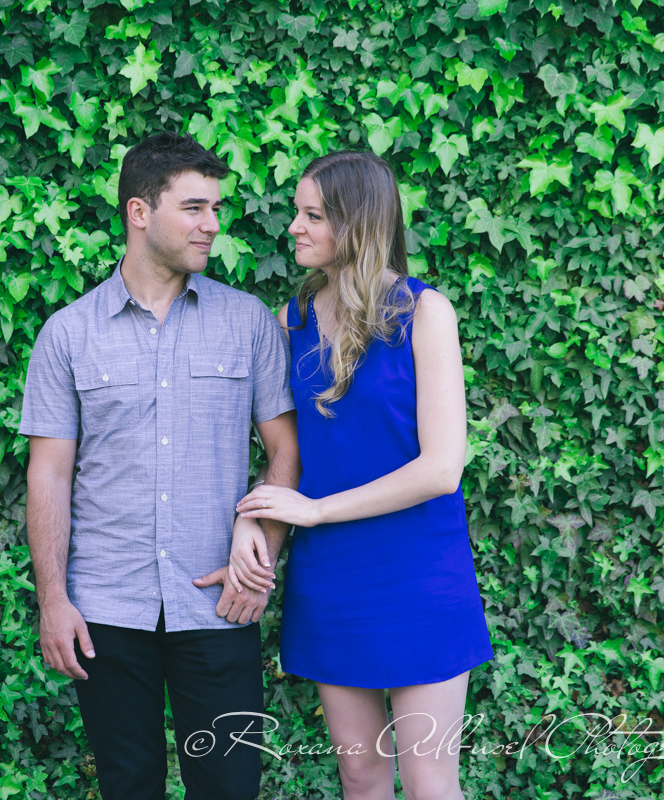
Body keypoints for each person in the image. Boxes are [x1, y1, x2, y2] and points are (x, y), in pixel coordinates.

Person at [20, 132, 300, 800]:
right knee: (127, 785)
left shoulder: (247, 322)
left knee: (230, 788)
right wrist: (53, 601)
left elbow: (286, 454)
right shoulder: (68, 334)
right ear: (139, 212)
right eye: (194, 208)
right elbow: (49, 475)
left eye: (215, 208)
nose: (213, 225)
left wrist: (259, 559)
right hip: (107, 608)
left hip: (219, 605)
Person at [232, 151, 494, 800]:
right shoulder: (289, 321)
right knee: (360, 775)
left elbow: (441, 468)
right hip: (332, 578)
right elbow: (282, 451)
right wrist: (252, 525)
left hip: (418, 572)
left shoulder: (425, 313)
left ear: (358, 224)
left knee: (430, 782)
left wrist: (316, 510)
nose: (294, 227)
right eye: (298, 212)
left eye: (313, 215)